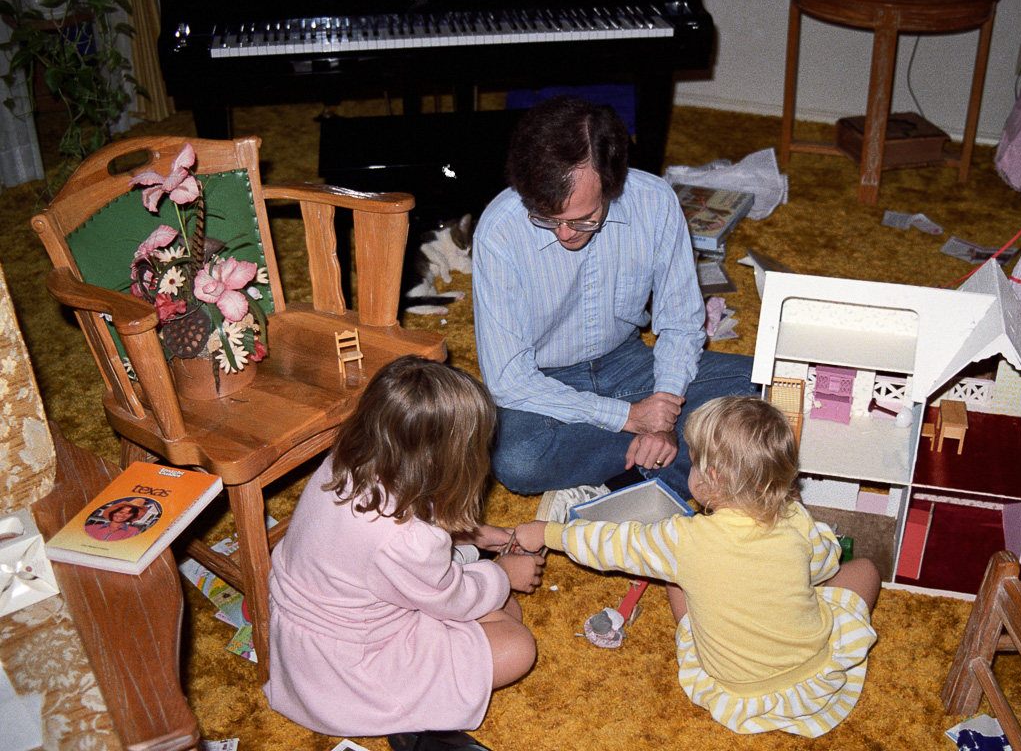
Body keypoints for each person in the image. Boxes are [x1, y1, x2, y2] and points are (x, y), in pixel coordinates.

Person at [512, 395, 880, 737]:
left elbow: (613, 544)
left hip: (736, 687)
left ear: (712, 481)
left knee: (676, 581)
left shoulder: (681, 539)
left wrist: (548, 533)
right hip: (811, 678)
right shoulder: (796, 521)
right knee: (865, 569)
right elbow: (825, 564)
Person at [472, 94, 755, 503]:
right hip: (546, 380)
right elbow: (509, 380)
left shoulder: (656, 202)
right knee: (519, 459)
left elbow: (679, 322)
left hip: (630, 365)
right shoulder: (499, 231)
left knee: (769, 386)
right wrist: (631, 418)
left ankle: (634, 463)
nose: (565, 234)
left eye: (583, 219)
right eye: (549, 219)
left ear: (614, 183)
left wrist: (663, 411)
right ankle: (670, 461)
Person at [263, 356, 544, 747]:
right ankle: (410, 714)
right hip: (344, 669)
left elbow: (384, 539)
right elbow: (452, 599)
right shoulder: (406, 540)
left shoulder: (345, 462)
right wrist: (503, 575)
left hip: (306, 632)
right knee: (517, 644)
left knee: (497, 611)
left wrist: (470, 536)